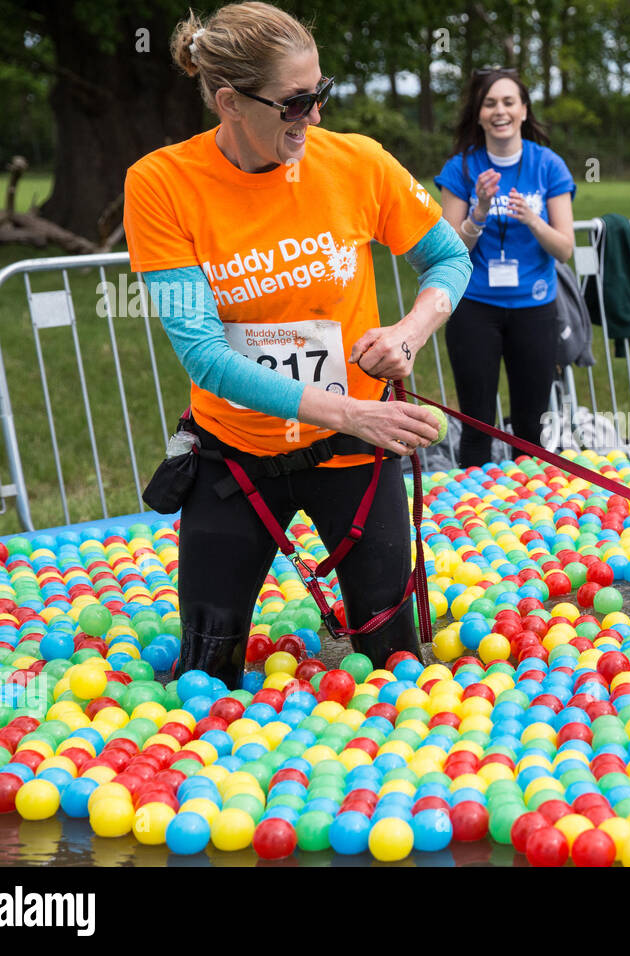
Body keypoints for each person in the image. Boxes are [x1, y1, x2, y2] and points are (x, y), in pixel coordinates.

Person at [122, 2, 470, 688]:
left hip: (352, 457)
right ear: (230, 101)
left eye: (321, 94)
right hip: (237, 459)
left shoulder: (359, 162)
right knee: (205, 672)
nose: (313, 116)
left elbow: (448, 259)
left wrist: (408, 332)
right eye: (295, 102)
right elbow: (205, 357)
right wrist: (349, 411)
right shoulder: (160, 183)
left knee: (394, 665)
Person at [434, 68, 576, 467]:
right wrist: (478, 211)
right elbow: (451, 249)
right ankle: (473, 512)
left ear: (524, 110)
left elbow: (564, 249)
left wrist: (533, 219)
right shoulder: (461, 168)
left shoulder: (548, 165)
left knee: (531, 425)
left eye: (509, 102)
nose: (500, 111)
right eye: (490, 103)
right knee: (477, 423)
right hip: (474, 306)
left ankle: (530, 508)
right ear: (478, 114)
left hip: (534, 307)